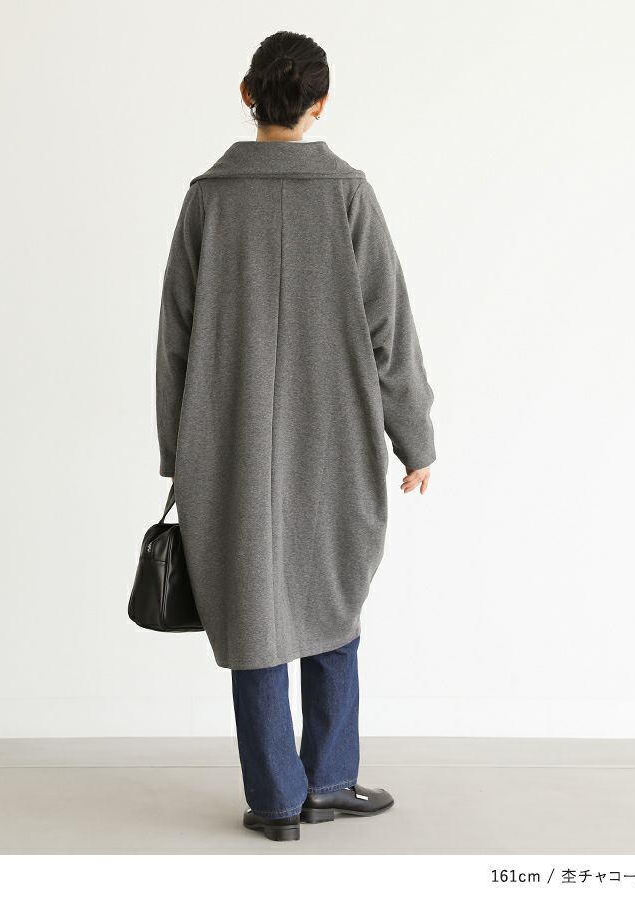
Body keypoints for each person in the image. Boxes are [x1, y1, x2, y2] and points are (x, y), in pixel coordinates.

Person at [155, 30, 435, 841]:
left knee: (253, 610)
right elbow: (389, 330)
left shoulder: (208, 198)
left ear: (248, 95)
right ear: (321, 104)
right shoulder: (347, 194)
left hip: (226, 446)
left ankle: (277, 801)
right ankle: (330, 782)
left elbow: (174, 338)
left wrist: (177, 450)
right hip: (335, 441)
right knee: (333, 599)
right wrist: (414, 438)